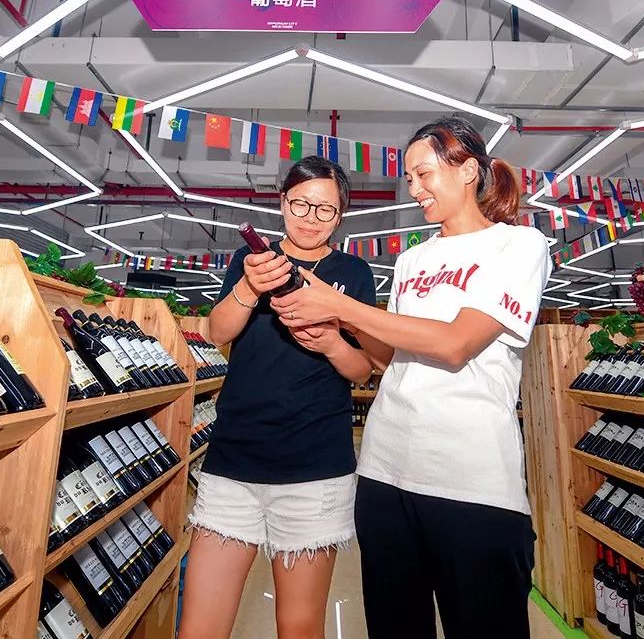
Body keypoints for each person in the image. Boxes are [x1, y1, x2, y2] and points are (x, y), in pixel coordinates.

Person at [271, 116, 551, 639]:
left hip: (471, 481)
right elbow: (388, 358)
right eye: (409, 178)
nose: (414, 188)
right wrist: (337, 327)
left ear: (468, 170)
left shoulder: (518, 245)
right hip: (384, 474)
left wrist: (342, 305)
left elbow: (455, 344)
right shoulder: (412, 260)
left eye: (424, 174)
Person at [179, 156, 376, 639]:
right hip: (233, 462)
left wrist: (330, 343)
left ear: (341, 215)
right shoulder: (251, 262)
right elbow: (217, 331)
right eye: (300, 204)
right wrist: (249, 287)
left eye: (325, 209)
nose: (310, 218)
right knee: (199, 626)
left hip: (315, 469)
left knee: (299, 626)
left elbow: (363, 368)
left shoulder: (353, 272)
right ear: (282, 202)